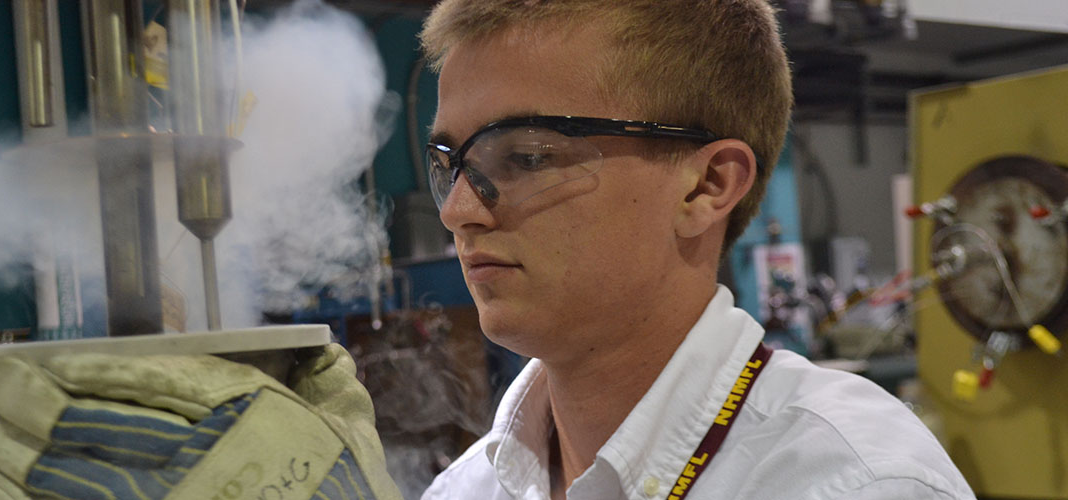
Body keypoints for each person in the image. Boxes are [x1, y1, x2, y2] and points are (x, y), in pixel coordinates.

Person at [417, 1, 975, 499]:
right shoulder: (467, 488)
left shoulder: (853, 482)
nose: (457, 210)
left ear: (707, 185)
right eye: (449, 163)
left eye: (528, 157)